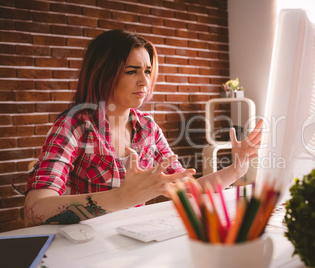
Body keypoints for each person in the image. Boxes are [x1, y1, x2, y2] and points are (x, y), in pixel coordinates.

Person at [24, 29, 263, 227]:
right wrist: (121, 198)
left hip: (132, 237)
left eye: (148, 71)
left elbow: (188, 189)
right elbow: (34, 211)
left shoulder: (147, 126)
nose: (145, 82)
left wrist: (236, 169)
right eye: (132, 71)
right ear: (103, 74)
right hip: (87, 243)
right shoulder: (73, 124)